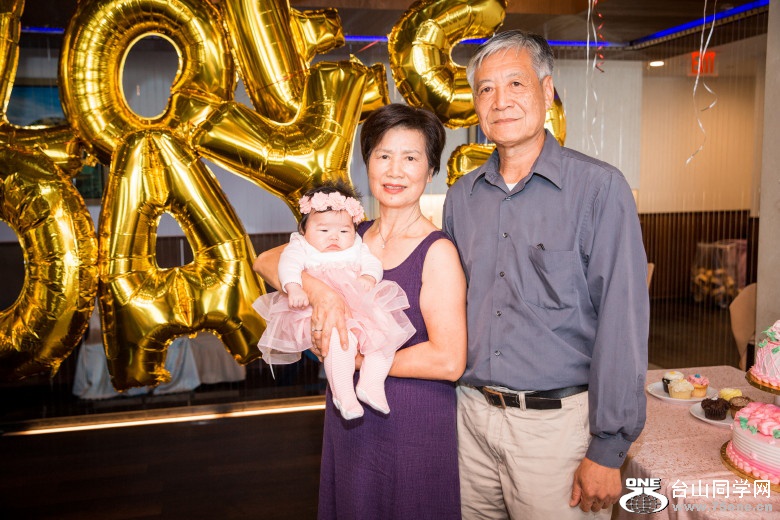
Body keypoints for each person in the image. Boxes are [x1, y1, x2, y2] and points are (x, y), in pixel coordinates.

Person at [442, 30, 649, 519]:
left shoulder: (598, 189)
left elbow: (622, 321)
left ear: (547, 89)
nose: (500, 101)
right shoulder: (462, 197)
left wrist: (608, 448)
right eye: (486, 89)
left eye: (516, 83)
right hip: (468, 420)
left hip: (556, 433)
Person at [254, 103, 467, 519]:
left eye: (411, 158)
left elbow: (449, 360)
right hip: (349, 418)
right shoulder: (350, 235)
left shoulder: (437, 251)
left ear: (431, 170)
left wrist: (354, 359)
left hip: (412, 419)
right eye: (383, 155)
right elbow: (266, 261)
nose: (395, 171)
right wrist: (320, 293)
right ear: (367, 163)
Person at [252, 182, 416, 420]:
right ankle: (343, 394)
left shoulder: (357, 245)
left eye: (343, 231)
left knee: (385, 334)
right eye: (323, 230)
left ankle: (371, 383)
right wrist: (294, 287)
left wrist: (369, 277)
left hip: (358, 306)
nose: (334, 237)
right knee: (340, 340)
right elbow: (287, 264)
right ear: (304, 229)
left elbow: (371, 262)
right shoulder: (300, 245)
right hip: (319, 311)